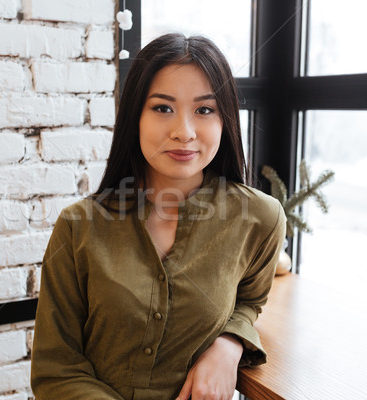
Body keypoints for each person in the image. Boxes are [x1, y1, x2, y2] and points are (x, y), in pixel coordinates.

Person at [31, 33, 286, 400]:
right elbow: (55, 371)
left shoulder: (261, 219)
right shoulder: (78, 227)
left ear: (225, 118)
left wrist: (230, 343)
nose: (184, 132)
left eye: (204, 110)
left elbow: (249, 301)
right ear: (135, 116)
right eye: (163, 108)